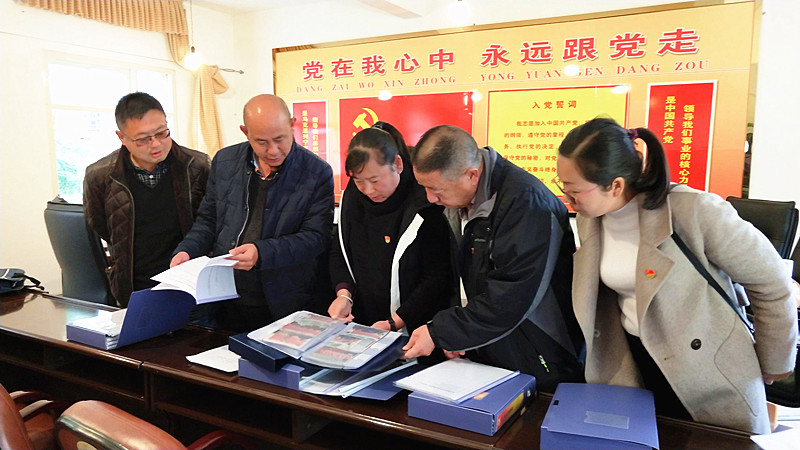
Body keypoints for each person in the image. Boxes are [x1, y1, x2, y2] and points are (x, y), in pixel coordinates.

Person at [556, 117, 798, 433]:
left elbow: (772, 281)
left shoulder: (694, 210)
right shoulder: (592, 218)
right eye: (562, 186)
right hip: (632, 361)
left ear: (615, 185)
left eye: (574, 190)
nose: (567, 198)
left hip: (705, 367)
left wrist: (775, 361)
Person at [402, 125, 585, 392]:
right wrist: (463, 337)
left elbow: (511, 296)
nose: (431, 198)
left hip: (540, 356)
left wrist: (441, 331)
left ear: (471, 174)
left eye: (436, 189)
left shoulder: (525, 203)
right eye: (425, 188)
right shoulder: (460, 201)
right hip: (497, 349)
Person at [171, 94, 334, 332]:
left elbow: (316, 238)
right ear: (245, 132)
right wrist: (187, 250)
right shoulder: (225, 161)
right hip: (226, 297)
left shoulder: (316, 172)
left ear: (292, 125)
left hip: (285, 299)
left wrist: (262, 253)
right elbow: (209, 219)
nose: (273, 150)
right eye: (261, 142)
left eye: (280, 139)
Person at [84, 92, 209, 307]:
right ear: (122, 137)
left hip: (191, 285)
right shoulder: (100, 175)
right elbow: (100, 225)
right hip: (135, 288)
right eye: (143, 139)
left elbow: (210, 221)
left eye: (162, 133)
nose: (156, 144)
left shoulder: (197, 166)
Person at [328, 122, 453, 334]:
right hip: (362, 324)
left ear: (397, 164)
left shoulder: (425, 204)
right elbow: (340, 249)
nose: (368, 190)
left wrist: (396, 321)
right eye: (359, 181)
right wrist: (344, 294)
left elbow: (436, 278)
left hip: (415, 328)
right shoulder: (352, 198)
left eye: (375, 180)